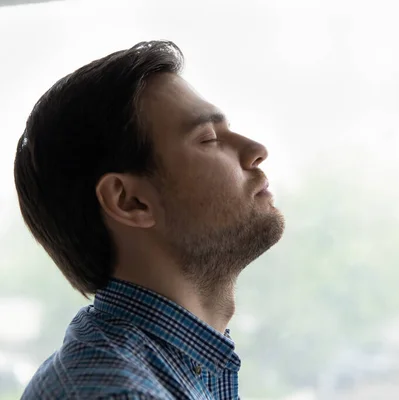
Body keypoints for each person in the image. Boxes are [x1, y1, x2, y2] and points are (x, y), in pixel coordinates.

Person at [14, 40, 285, 400]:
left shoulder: (166, 366)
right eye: (207, 138)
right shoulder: (119, 393)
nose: (256, 150)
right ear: (131, 202)